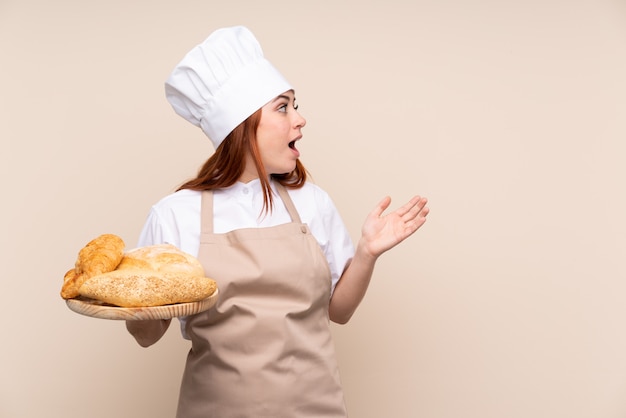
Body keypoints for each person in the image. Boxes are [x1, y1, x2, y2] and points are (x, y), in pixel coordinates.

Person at [126, 26, 429, 418]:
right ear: (243, 124)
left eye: (294, 105)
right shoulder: (174, 214)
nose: (300, 119)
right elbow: (147, 336)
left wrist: (367, 253)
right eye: (283, 107)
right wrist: (133, 298)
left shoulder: (312, 202)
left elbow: (339, 311)